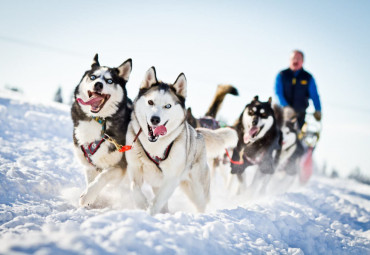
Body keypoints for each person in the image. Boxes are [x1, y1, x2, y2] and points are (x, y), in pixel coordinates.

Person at [275, 50, 322, 129]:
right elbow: (278, 92)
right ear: (290, 60)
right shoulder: (282, 75)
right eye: (293, 58)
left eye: (298, 58)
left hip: (299, 115)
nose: (296, 60)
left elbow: (314, 95)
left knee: (296, 136)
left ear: (302, 61)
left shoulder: (308, 77)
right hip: (282, 114)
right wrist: (285, 107)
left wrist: (318, 109)